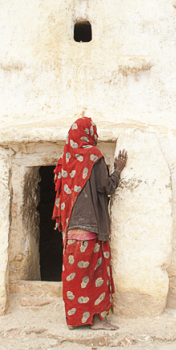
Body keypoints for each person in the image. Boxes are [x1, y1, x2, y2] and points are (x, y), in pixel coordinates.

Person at [52, 117, 128, 330]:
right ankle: (96, 321)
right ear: (90, 134)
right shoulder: (93, 156)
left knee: (74, 275)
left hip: (70, 231)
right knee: (95, 275)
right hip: (91, 228)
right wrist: (118, 170)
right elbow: (106, 187)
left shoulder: (65, 161)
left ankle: (75, 319)